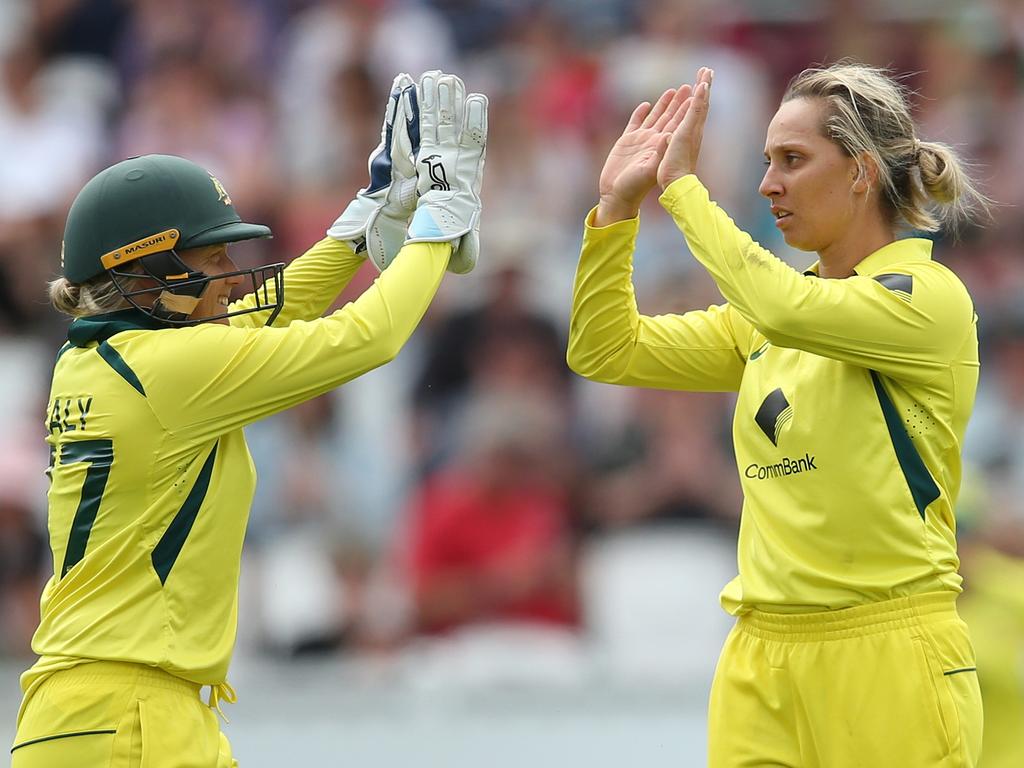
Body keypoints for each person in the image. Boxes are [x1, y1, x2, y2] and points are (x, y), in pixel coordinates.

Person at [11, 70, 488, 767]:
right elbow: (371, 336)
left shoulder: (104, 356)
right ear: (146, 275)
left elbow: (264, 305)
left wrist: (361, 224)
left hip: (114, 712)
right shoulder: (172, 370)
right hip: (129, 722)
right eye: (213, 259)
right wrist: (436, 225)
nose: (232, 275)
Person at [568, 62, 989, 767]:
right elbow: (605, 349)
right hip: (760, 659)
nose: (769, 184)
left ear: (860, 172)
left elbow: (783, 307)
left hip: (889, 653)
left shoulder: (928, 298)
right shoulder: (767, 319)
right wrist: (616, 211)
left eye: (792, 160)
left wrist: (683, 188)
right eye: (767, 162)